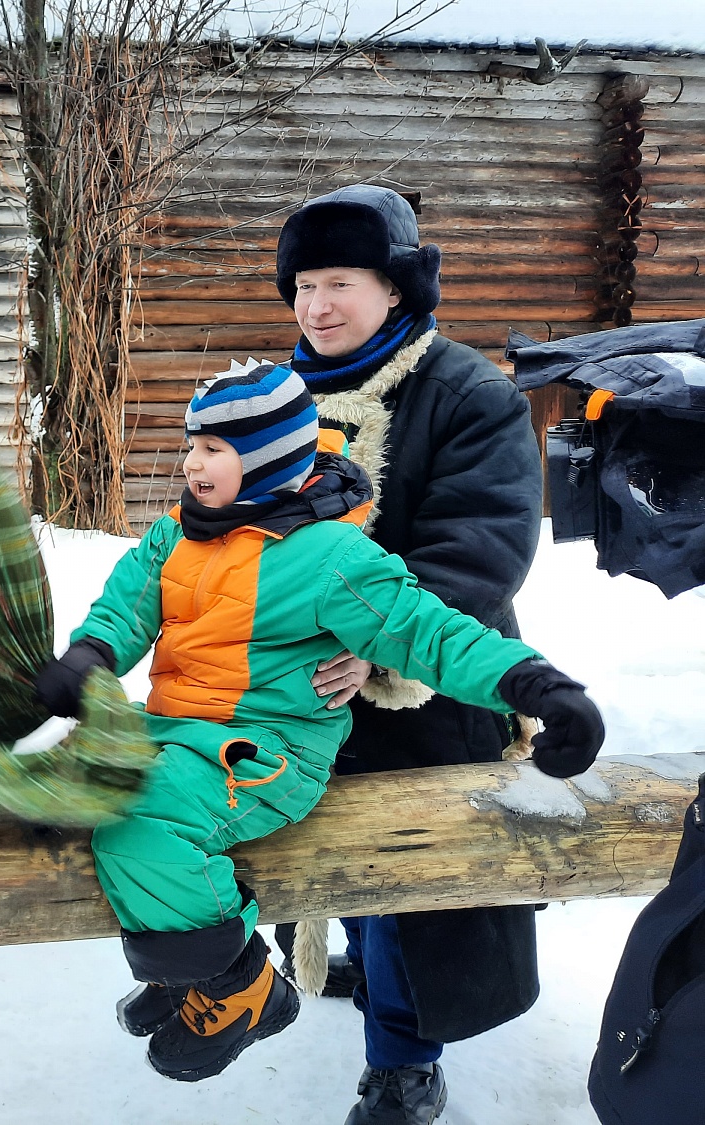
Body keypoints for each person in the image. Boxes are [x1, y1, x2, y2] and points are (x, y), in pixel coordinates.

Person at [32, 364, 603, 1101]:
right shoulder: (179, 533)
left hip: (269, 754)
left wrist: (542, 688)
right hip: (178, 729)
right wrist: (87, 657)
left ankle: (234, 980)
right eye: (191, 444)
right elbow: (127, 604)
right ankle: (181, 966)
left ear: (267, 460)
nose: (190, 462)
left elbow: (432, 634)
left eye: (212, 449)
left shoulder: (332, 559)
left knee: (139, 823)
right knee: (66, 790)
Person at [275, 184, 550, 1124]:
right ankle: (368, 954)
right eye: (305, 284)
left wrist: (379, 650)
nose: (318, 306)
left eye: (341, 282)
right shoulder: (276, 396)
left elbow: (481, 545)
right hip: (301, 687)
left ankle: (403, 1063)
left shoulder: (469, 393)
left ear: (396, 290)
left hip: (431, 681)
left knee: (409, 877)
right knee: (323, 848)